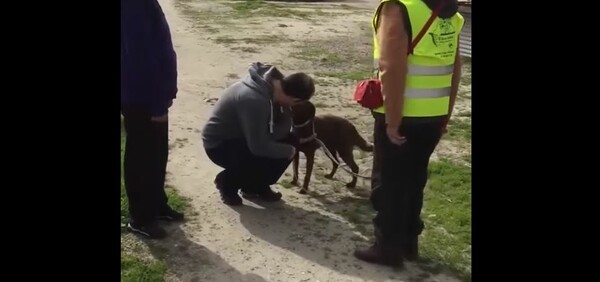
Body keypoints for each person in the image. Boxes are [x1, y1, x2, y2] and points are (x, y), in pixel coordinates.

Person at [355, 0, 464, 266]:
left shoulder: (398, 7)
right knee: (414, 181)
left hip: (403, 116)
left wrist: (392, 121)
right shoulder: (450, 10)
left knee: (389, 183)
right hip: (433, 114)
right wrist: (445, 115)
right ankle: (408, 244)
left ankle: (387, 249)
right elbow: (455, 68)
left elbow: (391, 67)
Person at [201, 62, 315, 206]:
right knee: (276, 150)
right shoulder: (254, 100)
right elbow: (258, 146)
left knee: (290, 140)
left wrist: (286, 138)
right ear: (296, 100)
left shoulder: (273, 87)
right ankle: (227, 183)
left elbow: (280, 131)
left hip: (245, 135)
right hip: (220, 144)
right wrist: (289, 150)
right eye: (296, 104)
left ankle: (254, 186)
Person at [121, 0, 184, 239]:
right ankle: (140, 217)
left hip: (154, 94)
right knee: (141, 157)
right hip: (141, 96)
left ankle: (156, 204)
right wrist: (157, 101)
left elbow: (160, 46)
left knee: (157, 153)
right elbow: (140, 56)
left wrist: (168, 89)